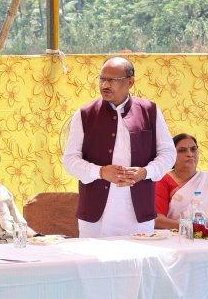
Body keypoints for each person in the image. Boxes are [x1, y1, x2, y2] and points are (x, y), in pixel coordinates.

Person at [63, 57, 176, 238]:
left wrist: (145, 172)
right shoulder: (85, 114)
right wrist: (100, 172)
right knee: (94, 264)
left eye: (112, 80)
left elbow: (169, 153)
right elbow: (70, 160)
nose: (105, 85)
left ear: (130, 82)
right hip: (95, 214)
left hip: (138, 211)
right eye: (102, 79)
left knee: (138, 263)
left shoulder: (150, 111)